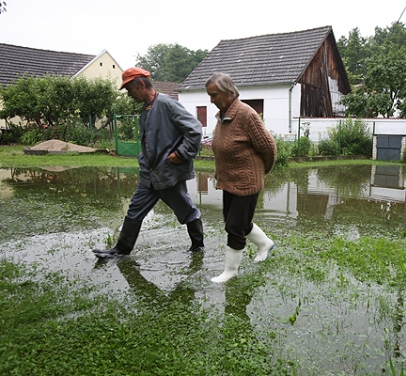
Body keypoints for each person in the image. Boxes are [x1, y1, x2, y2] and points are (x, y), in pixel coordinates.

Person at [93, 67, 204, 258]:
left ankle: (198, 246)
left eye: (129, 90)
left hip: (168, 173)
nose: (129, 95)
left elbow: (194, 129)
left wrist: (181, 153)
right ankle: (120, 250)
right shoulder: (146, 108)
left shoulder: (166, 104)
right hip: (150, 174)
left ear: (141, 84)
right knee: (135, 209)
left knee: (186, 210)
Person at [205, 72, 277, 283]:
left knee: (234, 226)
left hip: (246, 181)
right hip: (229, 180)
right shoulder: (223, 115)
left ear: (230, 92)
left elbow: (269, 147)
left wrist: (261, 172)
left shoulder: (246, 114)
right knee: (236, 221)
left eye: (214, 95)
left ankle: (230, 272)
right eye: (209, 95)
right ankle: (265, 244)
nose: (211, 100)